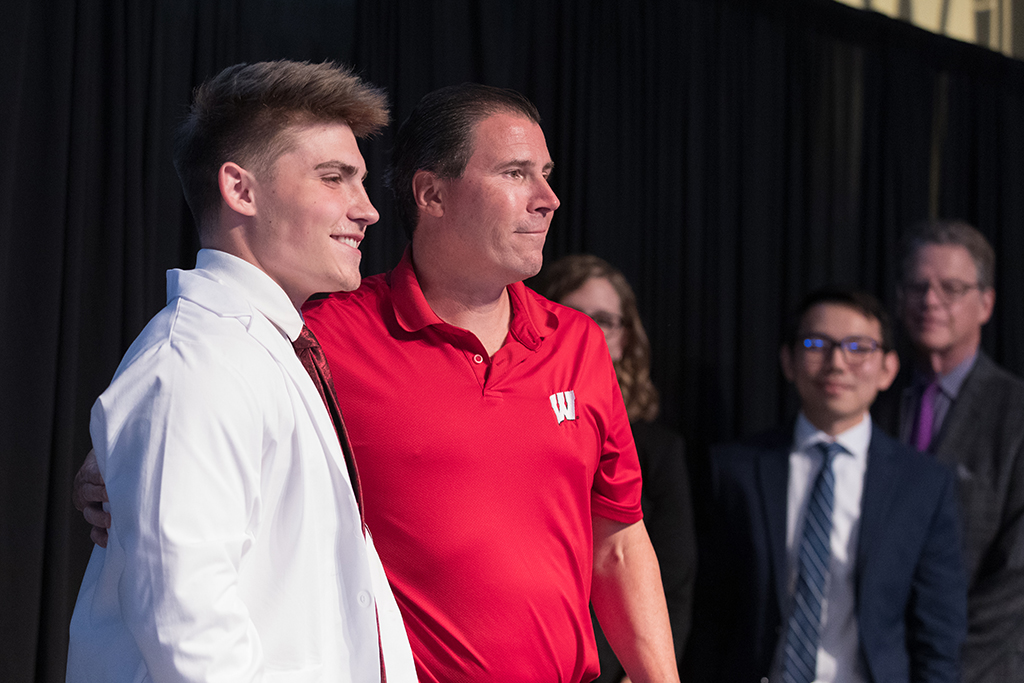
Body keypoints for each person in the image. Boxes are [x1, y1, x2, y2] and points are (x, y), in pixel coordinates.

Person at [75, 83, 679, 683]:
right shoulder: (320, 333)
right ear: (432, 193)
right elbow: (182, 419)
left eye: (545, 173)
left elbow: (620, 540)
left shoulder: (578, 343)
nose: (547, 198)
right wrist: (113, 467)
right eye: (517, 173)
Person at [66, 60, 415, 681]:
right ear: (241, 190)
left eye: (360, 182)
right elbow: (189, 637)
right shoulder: (195, 367)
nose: (368, 211)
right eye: (334, 178)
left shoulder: (267, 349)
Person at [686, 287, 966, 683]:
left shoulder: (923, 484)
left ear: (887, 369)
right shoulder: (735, 471)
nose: (837, 363)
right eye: (817, 344)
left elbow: (939, 632)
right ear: (788, 360)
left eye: (859, 347)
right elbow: (710, 612)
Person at [532, 253, 696, 683]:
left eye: (606, 320)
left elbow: (673, 579)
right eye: (575, 314)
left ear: (626, 338)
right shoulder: (514, 421)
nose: (589, 330)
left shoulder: (661, 450)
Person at [874, 220, 1024, 683]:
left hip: (980, 668)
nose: (931, 301)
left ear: (986, 303)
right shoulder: (873, 402)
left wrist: (937, 666)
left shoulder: (1016, 412)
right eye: (918, 286)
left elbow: (1017, 576)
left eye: (951, 288)